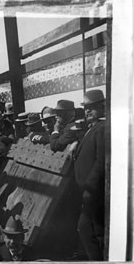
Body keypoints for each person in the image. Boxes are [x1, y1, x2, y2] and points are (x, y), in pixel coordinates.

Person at [73, 89, 106, 260]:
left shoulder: (102, 128)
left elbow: (101, 162)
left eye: (92, 107)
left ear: (103, 107)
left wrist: (90, 188)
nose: (88, 111)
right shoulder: (91, 129)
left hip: (93, 193)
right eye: (86, 107)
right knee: (85, 229)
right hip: (87, 192)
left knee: (95, 232)